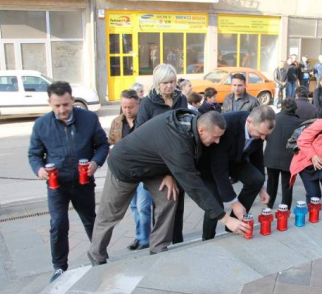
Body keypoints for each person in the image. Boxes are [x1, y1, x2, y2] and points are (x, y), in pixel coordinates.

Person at [88, 110, 249, 265]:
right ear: (201, 129)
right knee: (111, 214)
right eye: (215, 137)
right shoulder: (178, 143)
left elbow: (167, 150)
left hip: (155, 166)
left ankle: (158, 247)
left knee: (168, 196)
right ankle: (97, 254)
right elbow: (195, 187)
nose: (217, 142)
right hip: (125, 166)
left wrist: (170, 173)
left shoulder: (192, 119)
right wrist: (226, 219)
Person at [28, 81, 109, 282]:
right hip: (57, 185)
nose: (62, 110)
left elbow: (102, 145)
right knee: (58, 225)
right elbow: (34, 154)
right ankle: (59, 267)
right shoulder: (41, 125)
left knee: (91, 221)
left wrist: (95, 162)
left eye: (66, 104)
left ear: (72, 99)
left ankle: (100, 258)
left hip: (83, 182)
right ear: (50, 103)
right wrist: (38, 169)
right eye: (57, 105)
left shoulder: (89, 119)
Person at [200, 106, 276, 240]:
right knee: (215, 202)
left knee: (256, 180)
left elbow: (257, 157)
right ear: (250, 122)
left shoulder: (259, 132)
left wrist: (261, 187)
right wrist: (234, 203)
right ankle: (207, 238)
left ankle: (235, 225)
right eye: (260, 133)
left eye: (266, 135)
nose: (263, 138)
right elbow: (220, 170)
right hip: (210, 164)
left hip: (236, 159)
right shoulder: (228, 125)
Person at [136, 64, 188, 245]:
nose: (169, 86)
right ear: (157, 83)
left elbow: (185, 124)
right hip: (157, 160)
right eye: (165, 82)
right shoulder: (148, 102)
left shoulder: (180, 98)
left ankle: (177, 243)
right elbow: (140, 133)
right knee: (162, 205)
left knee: (178, 204)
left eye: (172, 82)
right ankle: (159, 245)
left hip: (177, 158)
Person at [109, 90, 153, 251]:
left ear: (138, 105)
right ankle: (140, 236)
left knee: (143, 207)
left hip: (143, 171)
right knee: (134, 207)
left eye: (131, 107)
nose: (127, 110)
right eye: (124, 107)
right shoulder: (117, 122)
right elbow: (111, 141)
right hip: (126, 172)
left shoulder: (145, 121)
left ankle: (145, 238)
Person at [264, 98, 302, 209]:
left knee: (272, 182)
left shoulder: (273, 119)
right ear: (295, 109)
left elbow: (265, 135)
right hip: (289, 157)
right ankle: (285, 207)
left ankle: (269, 204)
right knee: (287, 184)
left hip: (271, 156)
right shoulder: (298, 122)